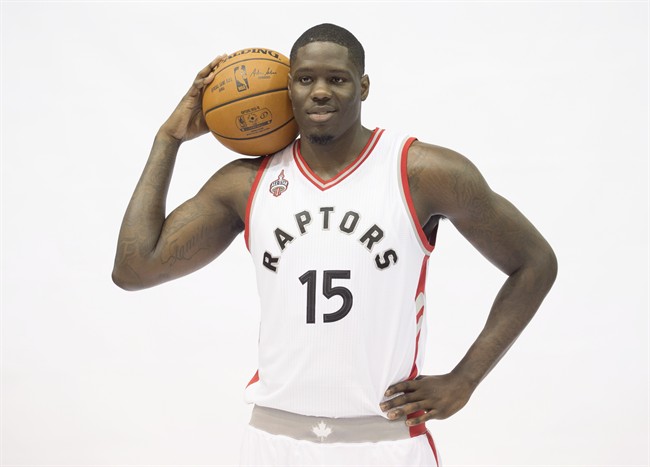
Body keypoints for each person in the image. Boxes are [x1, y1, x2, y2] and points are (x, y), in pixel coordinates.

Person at [112, 23, 557, 466]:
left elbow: (534, 263)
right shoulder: (246, 182)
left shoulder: (422, 172)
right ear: (288, 88)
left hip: (384, 442)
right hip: (274, 439)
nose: (320, 91)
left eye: (337, 79)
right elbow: (135, 270)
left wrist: (466, 380)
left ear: (363, 86)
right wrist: (167, 140)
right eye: (305, 79)